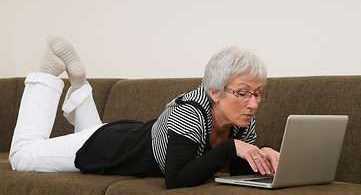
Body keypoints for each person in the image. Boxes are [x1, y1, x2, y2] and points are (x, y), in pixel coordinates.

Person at [9, 37, 279, 189]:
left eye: (257, 93)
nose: (253, 103)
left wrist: (262, 155)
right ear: (215, 92)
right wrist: (232, 147)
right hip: (106, 147)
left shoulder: (242, 120)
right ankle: (46, 75)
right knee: (21, 156)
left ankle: (79, 84)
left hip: (122, 136)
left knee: (92, 131)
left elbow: (240, 175)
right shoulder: (190, 112)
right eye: (243, 93)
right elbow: (176, 180)